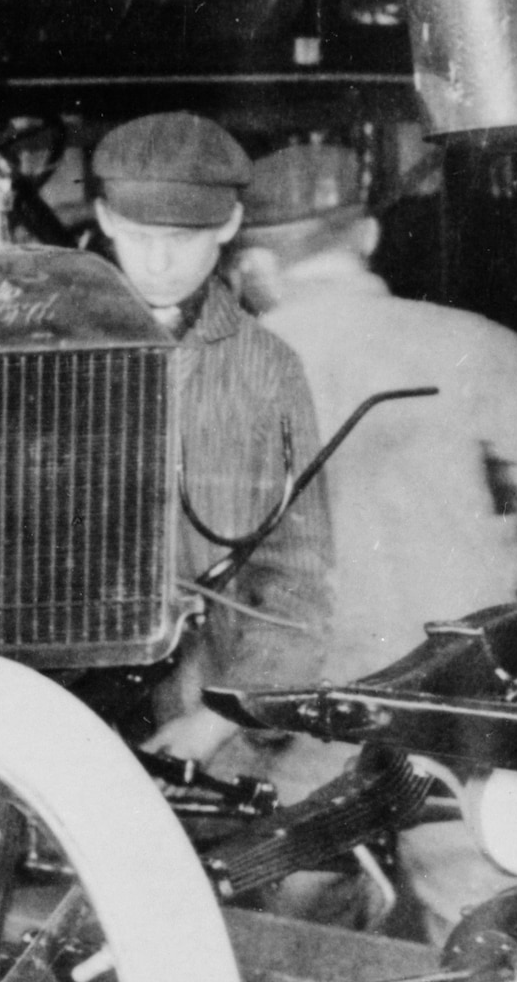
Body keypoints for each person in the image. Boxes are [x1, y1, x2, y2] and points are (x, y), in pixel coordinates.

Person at [231, 137, 517, 680]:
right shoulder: (480, 343)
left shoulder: (225, 368)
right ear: (368, 236)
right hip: (445, 681)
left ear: (254, 263)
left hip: (282, 688)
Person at [83, 111, 331, 776]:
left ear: (227, 225)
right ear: (105, 218)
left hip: (204, 713)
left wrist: (218, 721)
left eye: (184, 237)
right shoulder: (47, 349)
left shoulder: (267, 368)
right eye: (138, 235)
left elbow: (297, 577)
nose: (159, 261)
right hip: (67, 704)